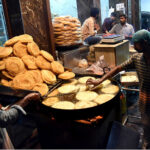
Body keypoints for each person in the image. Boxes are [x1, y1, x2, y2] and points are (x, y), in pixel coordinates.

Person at [86, 29, 150, 149]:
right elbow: (117, 68)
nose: (134, 46)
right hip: (144, 101)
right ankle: (146, 142)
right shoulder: (137, 58)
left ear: (145, 43)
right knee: (146, 124)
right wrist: (99, 80)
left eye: (136, 43)